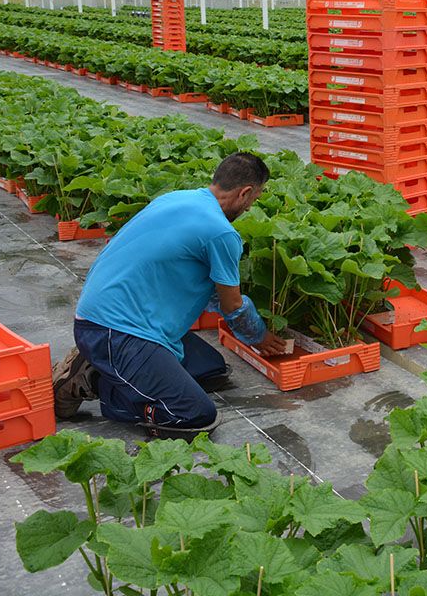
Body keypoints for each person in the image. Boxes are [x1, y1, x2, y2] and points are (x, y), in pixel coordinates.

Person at [52, 152, 286, 436]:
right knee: (194, 415)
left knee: (212, 371)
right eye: (255, 199)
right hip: (116, 331)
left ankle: (104, 364)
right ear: (245, 193)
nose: (251, 207)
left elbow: (205, 288)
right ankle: (94, 382)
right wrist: (258, 336)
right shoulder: (221, 232)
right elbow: (232, 305)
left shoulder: (176, 198)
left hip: (105, 312)